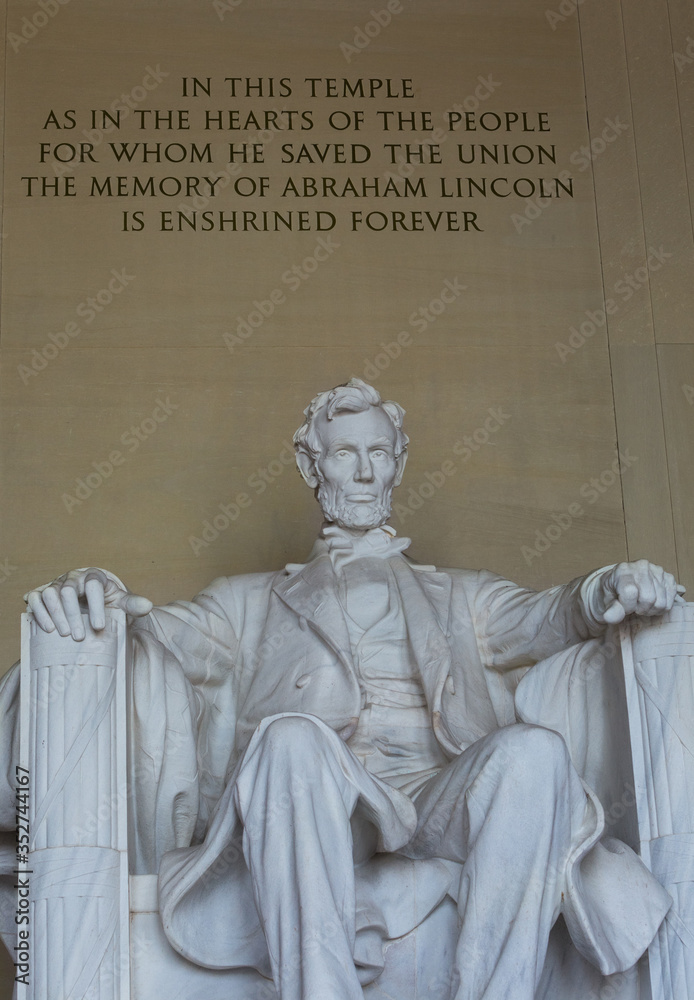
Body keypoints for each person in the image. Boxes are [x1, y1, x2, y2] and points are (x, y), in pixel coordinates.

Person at [17, 379, 680, 1000]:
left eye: (378, 454)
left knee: (534, 753)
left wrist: (609, 588)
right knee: (289, 737)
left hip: (438, 796)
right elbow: (149, 632)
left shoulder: (461, 596)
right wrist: (91, 590)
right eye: (344, 455)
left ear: (397, 464)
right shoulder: (249, 604)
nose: (364, 472)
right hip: (324, 797)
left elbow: (551, 617)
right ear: (314, 468)